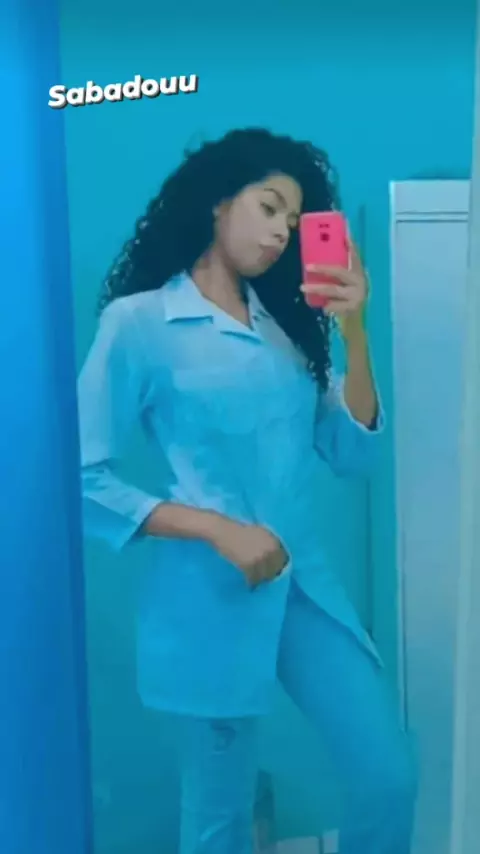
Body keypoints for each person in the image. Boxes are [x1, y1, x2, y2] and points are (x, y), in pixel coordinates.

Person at [78, 128, 417, 853]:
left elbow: (351, 451)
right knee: (219, 816)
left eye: (291, 221)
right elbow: (81, 479)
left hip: (305, 590)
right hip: (209, 596)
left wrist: (355, 332)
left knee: (387, 776)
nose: (279, 232)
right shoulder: (139, 323)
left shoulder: (285, 335)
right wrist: (217, 529)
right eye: (268, 208)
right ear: (217, 201)